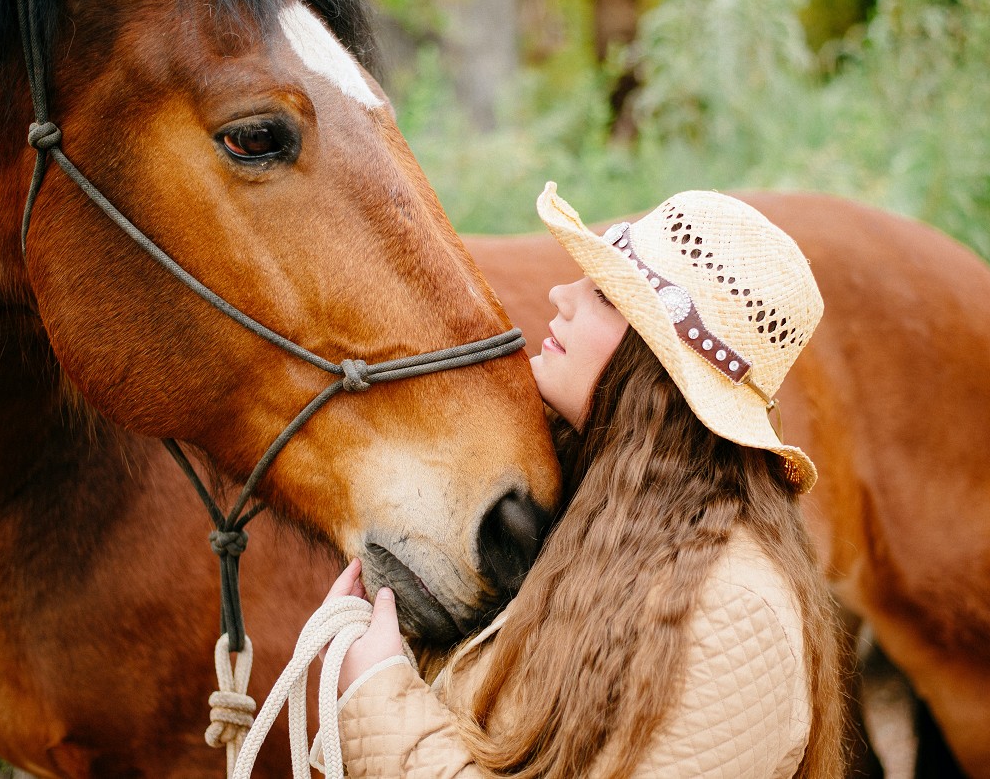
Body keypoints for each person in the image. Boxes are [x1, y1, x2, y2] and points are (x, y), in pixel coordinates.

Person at [322, 182, 845, 777]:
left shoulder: (733, 613)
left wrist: (375, 695)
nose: (562, 294)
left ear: (654, 366)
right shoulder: (587, 514)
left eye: (604, 295)